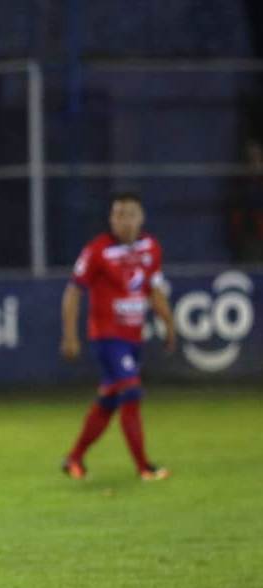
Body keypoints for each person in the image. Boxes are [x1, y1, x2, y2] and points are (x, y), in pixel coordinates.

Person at [60, 193, 176, 481]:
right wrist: (70, 335)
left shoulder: (151, 248)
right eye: (118, 215)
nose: (124, 220)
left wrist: (169, 325)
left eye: (130, 214)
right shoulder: (97, 250)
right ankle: (144, 467)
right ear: (111, 219)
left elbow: (154, 290)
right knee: (131, 392)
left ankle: (74, 459)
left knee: (109, 401)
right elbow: (73, 292)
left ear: (141, 217)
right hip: (107, 337)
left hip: (133, 337)